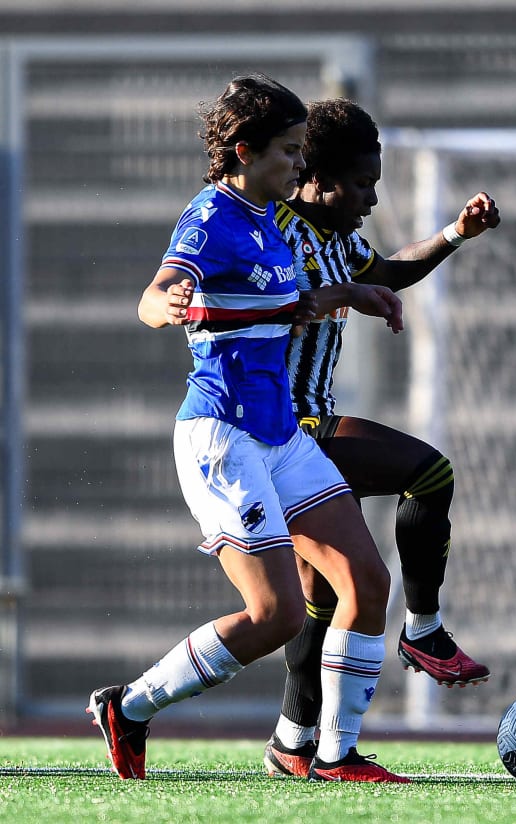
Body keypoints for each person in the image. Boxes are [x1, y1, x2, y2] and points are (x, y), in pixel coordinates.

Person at [86, 74, 410, 783]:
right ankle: (131, 706)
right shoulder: (211, 217)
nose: (300, 164)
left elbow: (286, 304)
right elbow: (157, 292)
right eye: (290, 151)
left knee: (365, 581)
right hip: (222, 437)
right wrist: (162, 303)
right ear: (244, 150)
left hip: (280, 434)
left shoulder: (268, 219)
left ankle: (335, 755)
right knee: (277, 615)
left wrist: (349, 291)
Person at [268, 99, 500, 777]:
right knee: (428, 473)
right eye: (364, 183)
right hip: (282, 429)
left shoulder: (336, 236)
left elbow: (388, 271)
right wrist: (335, 297)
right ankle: (423, 630)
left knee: (322, 598)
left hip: (302, 426)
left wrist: (453, 234)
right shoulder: (276, 231)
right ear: (319, 176)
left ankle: (291, 741)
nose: (373, 196)